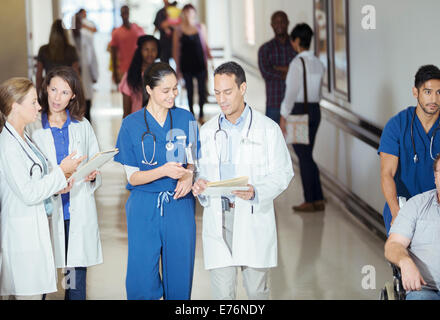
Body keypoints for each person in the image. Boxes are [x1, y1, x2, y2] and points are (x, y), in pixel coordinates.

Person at [192, 62, 294, 300]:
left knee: (258, 292)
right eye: (217, 93)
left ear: (243, 88)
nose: (222, 99)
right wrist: (200, 186)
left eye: (227, 92)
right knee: (222, 295)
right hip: (219, 218)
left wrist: (256, 191)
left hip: (252, 215)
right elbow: (200, 173)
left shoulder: (267, 129)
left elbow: (283, 173)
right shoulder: (206, 131)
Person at [114, 62, 199, 300]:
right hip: (143, 205)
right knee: (141, 275)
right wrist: (163, 171)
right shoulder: (131, 124)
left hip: (179, 203)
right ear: (149, 90)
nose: (172, 95)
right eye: (166, 90)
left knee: (181, 272)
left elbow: (193, 159)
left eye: (175, 89)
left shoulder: (185, 118)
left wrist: (189, 173)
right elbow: (133, 176)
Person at [0, 77, 84, 300]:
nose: (39, 106)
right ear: (15, 106)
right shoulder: (8, 146)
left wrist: (58, 185)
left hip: (34, 230)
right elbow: (28, 193)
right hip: (21, 236)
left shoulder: (23, 138)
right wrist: (60, 172)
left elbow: (37, 181)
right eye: (33, 102)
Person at [27, 67, 103, 300]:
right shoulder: (33, 127)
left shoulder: (82, 126)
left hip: (75, 213)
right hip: (46, 213)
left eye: (64, 92)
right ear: (45, 89)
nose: (57, 98)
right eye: (53, 90)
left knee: (74, 274)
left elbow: (95, 161)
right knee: (42, 274)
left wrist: (92, 175)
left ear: (73, 96)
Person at [379, 65, 440, 234]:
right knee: (403, 258)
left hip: (436, 211)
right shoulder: (397, 125)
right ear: (416, 92)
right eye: (428, 92)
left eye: (439, 92)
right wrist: (395, 212)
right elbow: (387, 174)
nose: (434, 99)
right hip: (402, 207)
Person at [279, 23, 325, 213]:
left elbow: (291, 92)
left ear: (297, 41)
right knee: (308, 155)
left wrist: (283, 115)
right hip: (315, 110)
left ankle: (310, 199)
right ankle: (318, 198)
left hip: (299, 111)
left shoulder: (297, 63)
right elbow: (320, 90)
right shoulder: (318, 62)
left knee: (303, 157)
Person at [384, 154, 440, 300]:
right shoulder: (416, 205)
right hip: (424, 289)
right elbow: (393, 245)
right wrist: (405, 261)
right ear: (435, 176)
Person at [173, 4, 212, 122]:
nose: (188, 15)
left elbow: (205, 45)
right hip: (186, 66)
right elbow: (175, 50)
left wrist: (210, 60)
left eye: (191, 12)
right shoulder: (178, 30)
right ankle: (191, 114)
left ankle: (201, 114)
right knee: (189, 91)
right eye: (186, 12)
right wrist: (177, 69)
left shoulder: (200, 27)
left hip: (200, 64)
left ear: (194, 14)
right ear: (183, 14)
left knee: (201, 90)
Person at [258, 11, 296, 124]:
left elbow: (299, 69)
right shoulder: (265, 49)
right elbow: (266, 73)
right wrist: (288, 71)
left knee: (298, 141)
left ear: (288, 23)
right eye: (276, 22)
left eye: (282, 22)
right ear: (271, 25)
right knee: (272, 140)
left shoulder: (296, 46)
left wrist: (277, 68)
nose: (279, 25)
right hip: (274, 105)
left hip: (295, 105)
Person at [119, 35, 160, 118]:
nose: (150, 53)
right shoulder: (131, 75)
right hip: (137, 122)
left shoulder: (161, 74)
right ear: (140, 51)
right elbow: (126, 110)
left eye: (153, 50)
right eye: (146, 49)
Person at [36, 19, 80, 93]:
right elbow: (76, 74)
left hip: (49, 89)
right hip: (66, 90)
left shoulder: (43, 50)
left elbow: (38, 76)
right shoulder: (71, 50)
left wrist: (38, 94)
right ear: (65, 33)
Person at [72, 13, 99, 122]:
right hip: (73, 77)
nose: (77, 25)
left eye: (79, 22)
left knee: (87, 106)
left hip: (85, 75)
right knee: (75, 105)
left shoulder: (87, 36)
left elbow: (92, 56)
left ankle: (88, 127)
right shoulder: (68, 37)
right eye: (74, 22)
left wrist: (94, 74)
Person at [110, 5, 145, 85]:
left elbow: (144, 46)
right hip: (124, 71)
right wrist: (115, 73)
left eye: (126, 12)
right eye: (123, 13)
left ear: (129, 13)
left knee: (139, 95)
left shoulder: (137, 28)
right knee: (126, 96)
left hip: (138, 68)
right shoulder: (116, 33)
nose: (125, 15)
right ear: (120, 15)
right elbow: (113, 54)